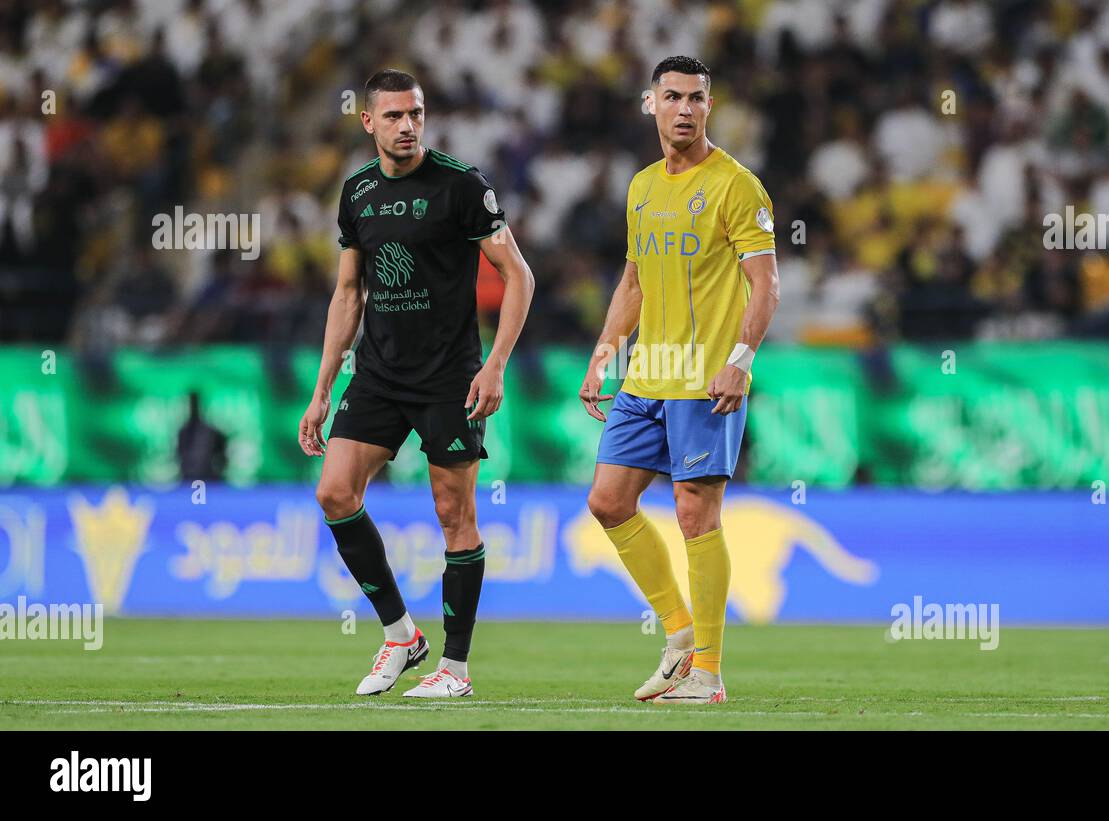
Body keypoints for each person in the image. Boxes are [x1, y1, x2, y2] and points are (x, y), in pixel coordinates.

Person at [298, 69, 534, 698]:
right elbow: (348, 294)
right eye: (395, 116)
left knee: (453, 514)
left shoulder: (461, 185)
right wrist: (323, 389)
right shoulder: (357, 193)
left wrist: (496, 365)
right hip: (377, 373)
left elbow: (519, 276)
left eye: (417, 114)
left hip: (449, 379)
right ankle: (402, 634)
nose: (408, 126)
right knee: (334, 493)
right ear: (368, 121)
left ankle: (454, 670)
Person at [579, 56, 780, 704]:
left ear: (709, 107)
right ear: (651, 104)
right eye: (673, 97)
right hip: (648, 374)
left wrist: (741, 359)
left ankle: (709, 673)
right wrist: (605, 351)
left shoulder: (737, 185)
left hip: (704, 377)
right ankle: (678, 633)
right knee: (607, 501)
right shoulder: (640, 187)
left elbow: (766, 283)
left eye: (697, 97)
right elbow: (634, 280)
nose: (685, 108)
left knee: (695, 511)